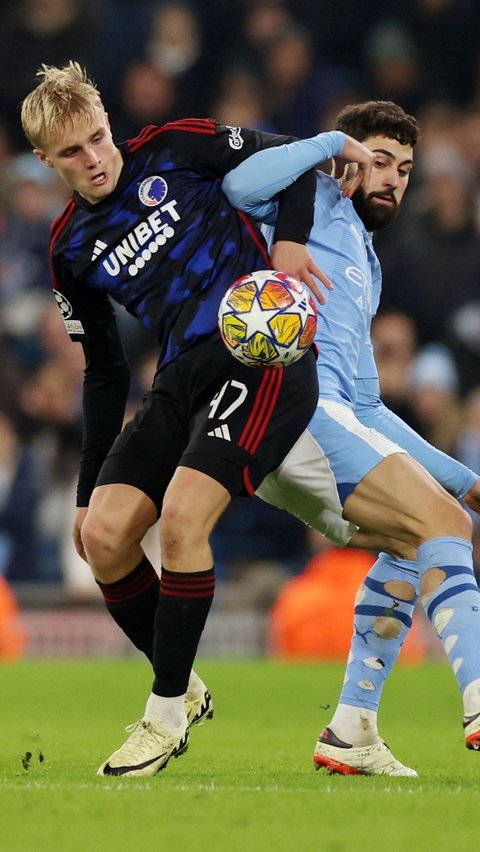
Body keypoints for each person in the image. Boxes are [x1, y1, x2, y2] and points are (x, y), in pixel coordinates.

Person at [19, 61, 374, 778]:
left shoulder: (175, 147)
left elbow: (294, 161)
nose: (92, 159)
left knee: (182, 520)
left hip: (260, 353)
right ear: (44, 160)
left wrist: (289, 245)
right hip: (179, 374)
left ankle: (163, 714)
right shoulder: (69, 250)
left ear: (107, 124)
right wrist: (90, 486)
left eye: (96, 138)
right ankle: (183, 683)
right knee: (102, 537)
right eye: (71, 153)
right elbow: (106, 371)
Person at [223, 100, 480, 776]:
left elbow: (366, 406)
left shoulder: (367, 260)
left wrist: (465, 479)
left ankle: (351, 725)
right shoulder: (305, 203)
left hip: (322, 420)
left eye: (404, 168)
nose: (392, 178)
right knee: (442, 525)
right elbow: (238, 185)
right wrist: (327, 143)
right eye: (379, 161)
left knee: (419, 535)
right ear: (346, 158)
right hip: (292, 405)